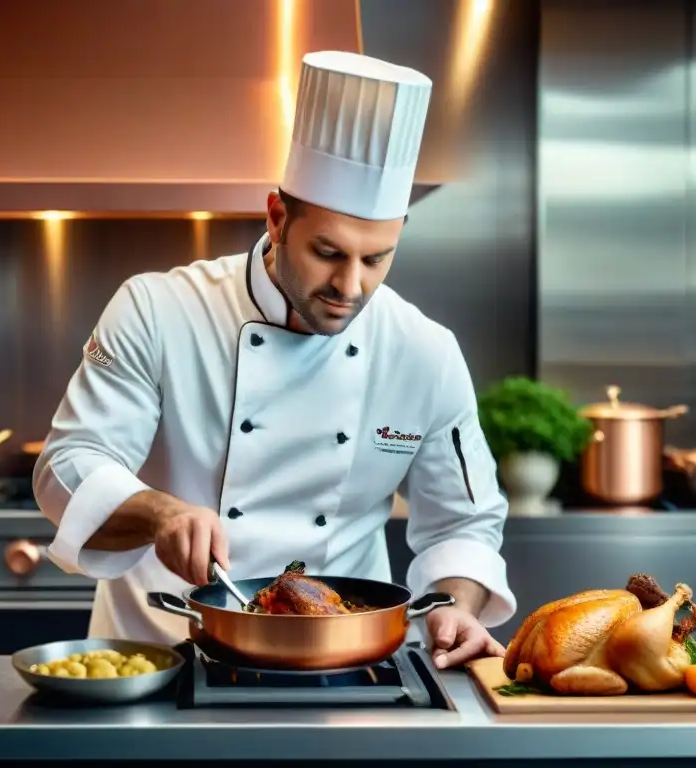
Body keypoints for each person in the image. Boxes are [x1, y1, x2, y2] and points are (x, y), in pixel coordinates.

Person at [34, 50, 517, 669]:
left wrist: (455, 603)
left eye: (376, 259)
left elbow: (466, 524)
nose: (350, 286)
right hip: (157, 660)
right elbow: (64, 470)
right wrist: (162, 513)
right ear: (277, 216)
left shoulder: (424, 352)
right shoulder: (157, 309)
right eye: (327, 252)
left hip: (345, 670)